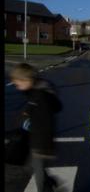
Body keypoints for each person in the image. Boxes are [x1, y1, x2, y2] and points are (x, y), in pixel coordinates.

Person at [10, 63, 63, 192]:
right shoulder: (35, 92)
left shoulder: (41, 96)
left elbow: (45, 122)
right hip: (35, 139)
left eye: (18, 83)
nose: (17, 87)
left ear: (27, 80)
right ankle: (49, 182)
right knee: (30, 167)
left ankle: (47, 187)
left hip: (42, 142)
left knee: (38, 173)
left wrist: (42, 145)